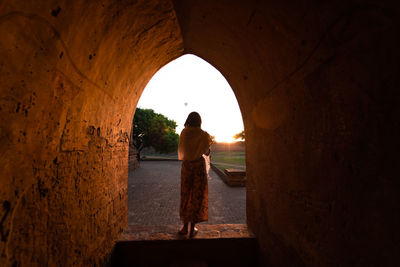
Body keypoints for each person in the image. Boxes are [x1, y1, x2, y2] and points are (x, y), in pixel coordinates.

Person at [177, 112, 212, 238]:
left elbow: (181, 150)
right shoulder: (204, 135)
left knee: (186, 194)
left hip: (187, 166)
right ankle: (192, 229)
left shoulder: (184, 132)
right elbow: (206, 152)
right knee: (197, 196)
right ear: (199, 121)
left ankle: (185, 227)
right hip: (198, 167)